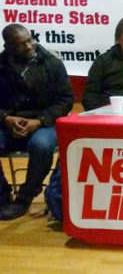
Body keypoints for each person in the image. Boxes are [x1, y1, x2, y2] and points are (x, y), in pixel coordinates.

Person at [0, 24, 73, 220]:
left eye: (30, 40)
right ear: (8, 47)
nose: (30, 46)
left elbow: (65, 100)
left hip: (44, 122)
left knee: (40, 145)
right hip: (8, 121)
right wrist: (6, 118)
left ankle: (25, 195)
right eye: (22, 44)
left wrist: (40, 121)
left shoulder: (51, 62)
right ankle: (2, 195)